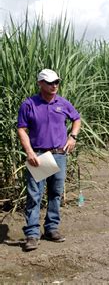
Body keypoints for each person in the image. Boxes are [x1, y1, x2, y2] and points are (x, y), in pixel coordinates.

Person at [17, 69, 81, 251]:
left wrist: (72, 137)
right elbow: (21, 129)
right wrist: (29, 152)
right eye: (50, 82)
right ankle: (32, 234)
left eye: (57, 82)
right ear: (40, 84)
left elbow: (76, 119)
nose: (54, 86)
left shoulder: (63, 103)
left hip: (59, 154)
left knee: (55, 193)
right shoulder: (29, 104)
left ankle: (51, 229)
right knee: (34, 195)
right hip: (38, 155)